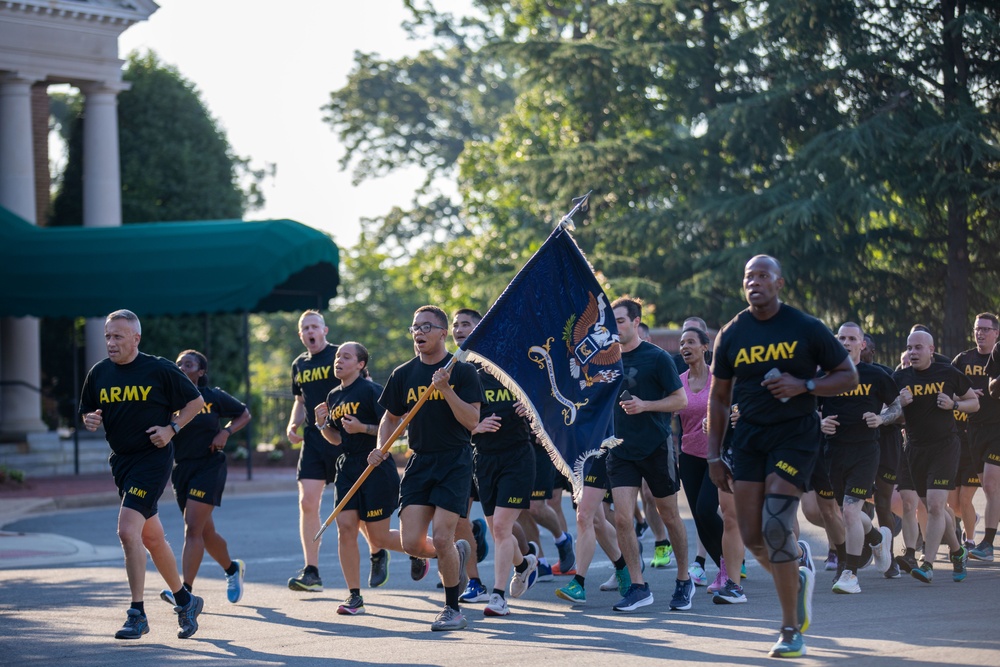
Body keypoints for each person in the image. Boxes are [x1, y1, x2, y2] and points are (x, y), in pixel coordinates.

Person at [706, 256, 858, 658]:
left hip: (796, 435)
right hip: (750, 439)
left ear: (779, 283)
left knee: (776, 525)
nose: (754, 282)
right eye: (748, 277)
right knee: (754, 536)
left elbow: (847, 374)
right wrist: (714, 455)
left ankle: (791, 628)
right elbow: (719, 398)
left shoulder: (804, 327)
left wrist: (804, 383)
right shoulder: (731, 334)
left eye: (762, 276)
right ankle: (797, 576)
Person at [79, 309, 206, 640]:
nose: (110, 342)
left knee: (126, 530)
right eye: (107, 336)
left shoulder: (159, 369)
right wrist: (89, 420)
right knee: (150, 537)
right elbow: (88, 412)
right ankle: (185, 600)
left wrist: (172, 428)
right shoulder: (99, 373)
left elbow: (196, 401)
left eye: (118, 336)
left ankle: (137, 613)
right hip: (121, 462)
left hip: (153, 458)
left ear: (135, 339)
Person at [367, 305, 484, 631]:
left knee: (443, 536)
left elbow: (472, 421)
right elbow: (390, 418)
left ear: (442, 333)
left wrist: (446, 390)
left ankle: (452, 609)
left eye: (426, 327)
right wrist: (381, 447)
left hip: (455, 460)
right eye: (415, 327)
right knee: (411, 544)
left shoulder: (461, 372)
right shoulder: (403, 374)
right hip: (420, 463)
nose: (418, 333)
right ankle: (457, 558)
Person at [605, 296, 693, 613]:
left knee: (669, 516)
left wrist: (646, 406)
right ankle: (639, 586)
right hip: (620, 450)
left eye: (620, 321)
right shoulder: (606, 360)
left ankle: (684, 579)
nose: (615, 327)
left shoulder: (657, 358)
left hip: (656, 446)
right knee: (622, 518)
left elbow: (680, 400)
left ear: (636, 322)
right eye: (611, 321)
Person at [453, 308, 539, 616]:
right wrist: (475, 427)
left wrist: (531, 408)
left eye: (466, 324)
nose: (459, 329)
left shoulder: (515, 368)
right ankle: (525, 562)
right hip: (483, 459)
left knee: (502, 527)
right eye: (456, 325)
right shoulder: (460, 375)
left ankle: (499, 597)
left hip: (517, 455)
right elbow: (450, 421)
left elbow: (547, 402)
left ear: (482, 331)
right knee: (499, 531)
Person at [313, 341, 409, 616]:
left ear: (360, 364)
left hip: (375, 466)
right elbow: (335, 438)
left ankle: (428, 550)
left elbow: (396, 430)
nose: (338, 361)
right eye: (337, 357)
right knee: (345, 527)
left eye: (346, 357)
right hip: (347, 467)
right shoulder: (333, 396)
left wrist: (363, 428)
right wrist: (321, 424)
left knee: (378, 536)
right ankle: (355, 596)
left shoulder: (371, 391)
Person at [160, 350, 251, 608]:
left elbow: (244, 413)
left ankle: (185, 592)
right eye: (178, 364)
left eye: (188, 364)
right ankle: (233, 569)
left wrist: (226, 431)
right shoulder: (169, 401)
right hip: (182, 470)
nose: (181, 368)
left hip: (210, 466)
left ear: (201, 372)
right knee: (205, 532)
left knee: (192, 528)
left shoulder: (212, 397)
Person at [817, 324, 899, 594]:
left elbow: (897, 406)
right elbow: (806, 411)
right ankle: (877, 538)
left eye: (852, 338)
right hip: (834, 452)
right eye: (841, 338)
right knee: (846, 513)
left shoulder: (875, 375)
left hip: (865, 451)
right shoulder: (824, 377)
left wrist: (881, 418)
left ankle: (850, 574)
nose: (846, 342)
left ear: (862, 344)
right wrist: (820, 422)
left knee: (851, 512)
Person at [892, 329, 978, 583]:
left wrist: (954, 405)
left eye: (919, 347)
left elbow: (974, 402)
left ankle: (927, 564)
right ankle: (957, 551)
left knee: (937, 505)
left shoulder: (948, 373)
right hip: (915, 449)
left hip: (945, 447)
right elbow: (889, 415)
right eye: (910, 347)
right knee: (931, 508)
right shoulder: (900, 377)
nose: (913, 352)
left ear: (931, 350)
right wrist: (900, 404)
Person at [675, 326, 742, 601]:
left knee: (707, 509)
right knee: (700, 518)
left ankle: (731, 568)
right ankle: (725, 568)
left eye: (690, 341)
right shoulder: (677, 381)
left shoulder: (720, 378)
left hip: (717, 455)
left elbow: (736, 406)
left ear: (705, 347)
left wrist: (727, 419)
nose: (684, 346)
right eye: (682, 343)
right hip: (689, 455)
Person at [285, 310, 343, 592]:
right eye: (305, 328)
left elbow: (362, 387)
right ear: (301, 335)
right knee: (307, 503)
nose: (310, 331)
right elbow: (300, 399)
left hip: (341, 437)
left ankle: (378, 550)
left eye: (314, 326)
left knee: (352, 510)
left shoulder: (340, 356)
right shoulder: (298, 364)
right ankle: (312, 571)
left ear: (324, 330)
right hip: (312, 439)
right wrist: (293, 424)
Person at [957, 314, 1000, 561]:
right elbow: (946, 384)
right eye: (977, 329)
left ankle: (987, 544)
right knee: (989, 488)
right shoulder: (964, 359)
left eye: (985, 329)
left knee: (992, 485)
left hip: (997, 428)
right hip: (973, 430)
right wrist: (966, 394)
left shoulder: (999, 355)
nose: (980, 333)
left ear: (996, 332)